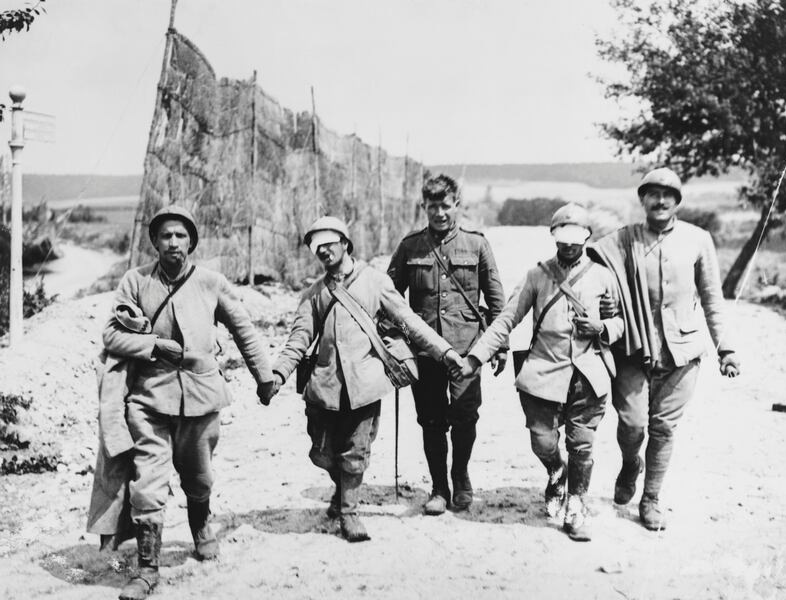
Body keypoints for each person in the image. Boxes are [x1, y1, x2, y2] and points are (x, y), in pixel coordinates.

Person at [100, 206, 275, 600]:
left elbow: (243, 328)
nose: (173, 242)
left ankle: (200, 525)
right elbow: (111, 335)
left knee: (199, 478)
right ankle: (147, 569)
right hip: (148, 402)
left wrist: (264, 376)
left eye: (180, 235)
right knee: (147, 484)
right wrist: (151, 345)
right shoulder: (135, 281)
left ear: (191, 242)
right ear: (156, 242)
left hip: (201, 400)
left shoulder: (210, 282)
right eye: (166, 236)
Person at [262, 216, 464, 542]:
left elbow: (410, 322)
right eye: (316, 245)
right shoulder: (313, 295)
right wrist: (278, 373)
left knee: (355, 452)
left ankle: (349, 513)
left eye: (329, 242)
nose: (323, 250)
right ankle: (343, 488)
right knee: (322, 453)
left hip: (365, 384)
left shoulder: (375, 282)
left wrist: (444, 352)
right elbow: (298, 340)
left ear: (345, 242)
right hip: (325, 385)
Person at [460, 203, 624, 541]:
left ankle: (576, 504)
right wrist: (476, 357)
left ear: (586, 238)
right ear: (553, 238)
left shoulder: (603, 277)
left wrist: (603, 327)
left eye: (575, 238)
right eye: (561, 238)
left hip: (588, 374)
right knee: (543, 441)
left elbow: (621, 322)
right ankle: (555, 471)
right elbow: (506, 319)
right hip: (543, 371)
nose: (568, 245)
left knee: (582, 444)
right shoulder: (537, 276)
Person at [589, 167, 741, 532]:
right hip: (632, 349)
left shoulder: (697, 239)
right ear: (642, 199)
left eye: (668, 195)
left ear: (677, 202)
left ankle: (651, 499)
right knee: (632, 425)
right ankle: (630, 465)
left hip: (682, 354)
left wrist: (727, 349)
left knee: (664, 429)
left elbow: (712, 299)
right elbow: (591, 273)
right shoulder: (622, 241)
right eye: (653, 194)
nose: (660, 201)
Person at [387, 174, 507, 515]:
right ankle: (439, 486)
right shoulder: (410, 247)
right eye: (432, 206)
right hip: (424, 352)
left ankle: (461, 475)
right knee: (431, 421)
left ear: (458, 206)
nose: (439, 213)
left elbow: (497, 301)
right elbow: (389, 299)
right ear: (423, 207)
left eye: (446, 205)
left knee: (466, 417)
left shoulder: (477, 245)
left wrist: (500, 346)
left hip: (467, 350)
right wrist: (392, 340)